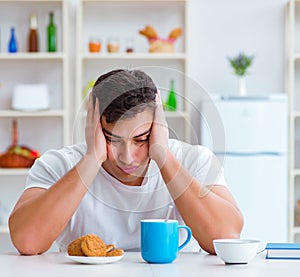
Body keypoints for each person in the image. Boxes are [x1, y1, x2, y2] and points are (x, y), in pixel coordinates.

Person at [9, 69, 243, 255]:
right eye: (113, 139)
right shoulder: (58, 164)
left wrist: (163, 156)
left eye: (141, 139)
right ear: (94, 126)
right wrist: (93, 158)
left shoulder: (195, 160)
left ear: (157, 126)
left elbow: (226, 237)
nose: (127, 157)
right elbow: (27, 242)